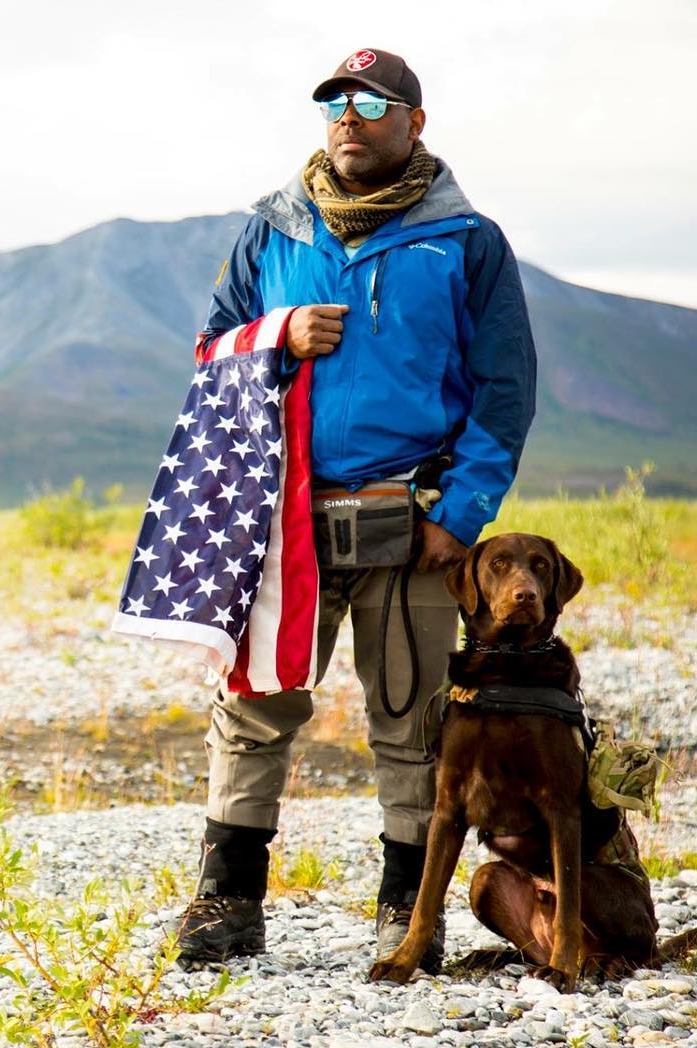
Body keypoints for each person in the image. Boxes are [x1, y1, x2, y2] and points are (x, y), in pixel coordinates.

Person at [176, 48, 537, 971]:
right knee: (254, 704)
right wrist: (279, 334)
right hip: (284, 514)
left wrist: (460, 512)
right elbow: (211, 351)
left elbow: (505, 390)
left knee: (412, 720)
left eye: (373, 102)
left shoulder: (465, 240)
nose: (349, 114)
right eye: (336, 99)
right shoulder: (273, 232)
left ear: (415, 123)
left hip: (412, 523)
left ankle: (403, 915)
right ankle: (226, 906)